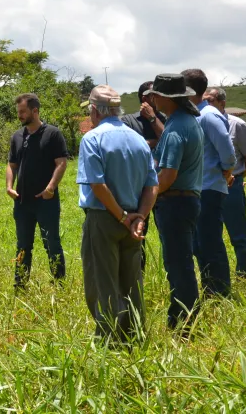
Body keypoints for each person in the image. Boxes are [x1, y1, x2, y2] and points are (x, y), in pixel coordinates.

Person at [77, 86, 158, 343]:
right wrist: (139, 218)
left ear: (94, 110)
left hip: (104, 218)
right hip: (134, 221)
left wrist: (122, 216)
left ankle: (110, 339)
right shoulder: (137, 140)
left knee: (102, 281)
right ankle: (134, 336)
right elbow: (151, 184)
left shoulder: (92, 139)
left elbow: (98, 185)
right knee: (132, 281)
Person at [144, 74, 204, 334]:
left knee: (178, 265)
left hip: (176, 203)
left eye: (154, 95)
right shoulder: (186, 121)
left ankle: (182, 323)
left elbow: (167, 176)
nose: (152, 100)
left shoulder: (177, 128)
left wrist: (147, 198)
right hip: (186, 201)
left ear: (162, 98)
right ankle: (188, 318)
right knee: (181, 262)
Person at [5, 93, 70, 290]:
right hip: (22, 201)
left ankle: (59, 283)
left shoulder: (52, 134)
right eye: (18, 112)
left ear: (35, 111)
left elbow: (61, 163)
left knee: (52, 243)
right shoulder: (17, 136)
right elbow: (12, 165)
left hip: (46, 201)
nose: (20, 115)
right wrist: (9, 186)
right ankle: (20, 284)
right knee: (23, 245)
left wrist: (50, 188)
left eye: (23, 111)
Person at [182, 69, 236, 298]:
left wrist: (226, 170)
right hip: (199, 188)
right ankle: (210, 288)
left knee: (210, 242)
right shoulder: (196, 115)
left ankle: (220, 292)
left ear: (191, 90)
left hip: (210, 187)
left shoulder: (209, 115)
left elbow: (228, 152)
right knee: (200, 244)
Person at [204, 87, 246, 277]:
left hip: (231, 185)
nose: (207, 104)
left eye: (210, 100)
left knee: (238, 233)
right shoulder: (200, 123)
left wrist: (239, 178)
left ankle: (245, 273)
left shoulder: (237, 125)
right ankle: (216, 275)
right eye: (204, 100)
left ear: (222, 103)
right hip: (208, 186)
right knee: (210, 234)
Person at [120, 81, 166, 270]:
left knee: (169, 236)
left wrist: (154, 119)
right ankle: (137, 278)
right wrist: (155, 142)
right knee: (137, 236)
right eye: (156, 94)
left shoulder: (167, 118)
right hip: (139, 188)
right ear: (145, 98)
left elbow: (172, 143)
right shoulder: (127, 121)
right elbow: (128, 148)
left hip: (165, 185)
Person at [121, 81, 166, 150]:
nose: (160, 97)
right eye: (154, 95)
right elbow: (126, 146)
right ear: (144, 99)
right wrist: (154, 142)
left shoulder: (166, 119)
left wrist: (153, 119)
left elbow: (169, 141)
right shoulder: (129, 120)